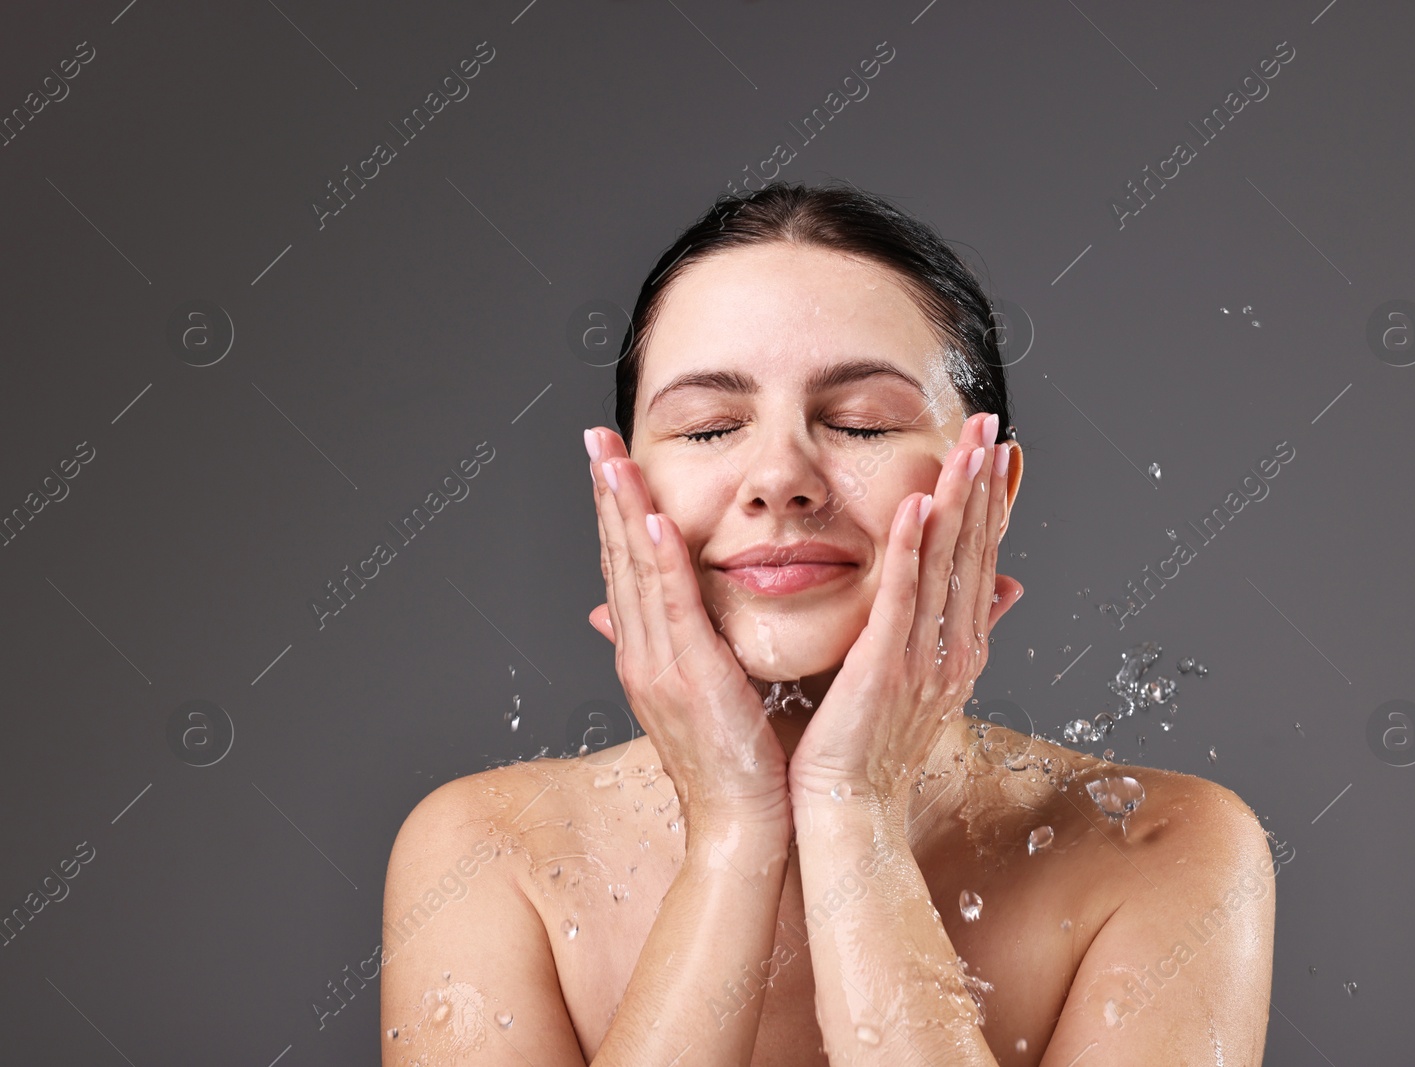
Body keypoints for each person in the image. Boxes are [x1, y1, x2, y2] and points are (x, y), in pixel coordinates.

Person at [379, 182, 1275, 1065]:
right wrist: (733, 831)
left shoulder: (1163, 847)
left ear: (992, 495)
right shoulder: (486, 856)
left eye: (860, 422)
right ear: (619, 496)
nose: (779, 476)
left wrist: (855, 810)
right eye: (706, 427)